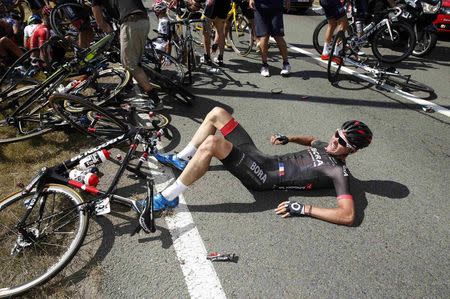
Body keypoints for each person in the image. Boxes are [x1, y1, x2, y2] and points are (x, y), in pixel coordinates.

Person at [135, 107, 373, 226]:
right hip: (260, 157)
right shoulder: (326, 145)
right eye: (336, 134)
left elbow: (348, 215)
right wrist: (288, 138)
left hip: (263, 176)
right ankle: (184, 158)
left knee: (213, 143)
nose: (334, 141)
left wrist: (306, 209)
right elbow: (312, 140)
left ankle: (168, 197)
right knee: (218, 113)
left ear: (351, 150)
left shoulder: (338, 172)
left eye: (341, 142)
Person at [91, 0, 163, 110]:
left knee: (129, 63)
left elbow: (99, 19)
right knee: (135, 60)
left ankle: (155, 100)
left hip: (131, 22)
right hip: (143, 20)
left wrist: (109, 31)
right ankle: (128, 85)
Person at [248, 0, 291, 77]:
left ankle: (286, 63)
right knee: (264, 36)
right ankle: (264, 65)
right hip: (260, 8)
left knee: (278, 36)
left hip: (276, 7)